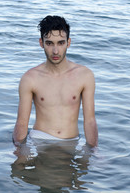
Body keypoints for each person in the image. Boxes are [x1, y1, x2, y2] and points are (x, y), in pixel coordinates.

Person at [13, 15, 98, 148]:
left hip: (71, 141)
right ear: (41, 43)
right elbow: (22, 122)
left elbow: (90, 121)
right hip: (40, 139)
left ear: (68, 43)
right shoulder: (30, 78)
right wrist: (18, 151)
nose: (55, 50)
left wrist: (94, 151)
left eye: (61, 43)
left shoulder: (84, 75)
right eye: (49, 43)